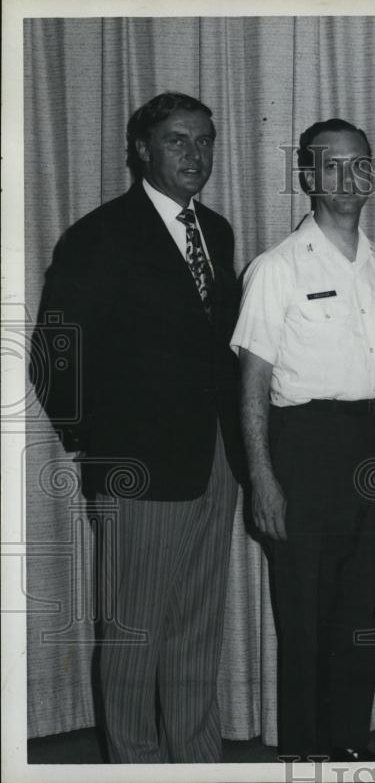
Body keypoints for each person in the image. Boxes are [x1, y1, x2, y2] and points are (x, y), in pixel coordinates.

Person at [33, 92, 244, 762]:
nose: (195, 154)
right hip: (138, 469)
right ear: (142, 150)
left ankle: (197, 761)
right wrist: (95, 447)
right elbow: (55, 354)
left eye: (204, 140)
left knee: (197, 630)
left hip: (217, 461)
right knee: (133, 636)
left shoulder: (217, 231)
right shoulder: (99, 236)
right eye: (178, 140)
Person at [231, 118, 375, 761]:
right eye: (331, 165)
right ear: (308, 176)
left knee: (362, 609)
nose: (347, 177)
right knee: (305, 615)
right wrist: (262, 477)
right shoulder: (276, 268)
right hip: (304, 449)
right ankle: (305, 755)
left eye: (359, 163)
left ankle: (348, 747)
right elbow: (252, 383)